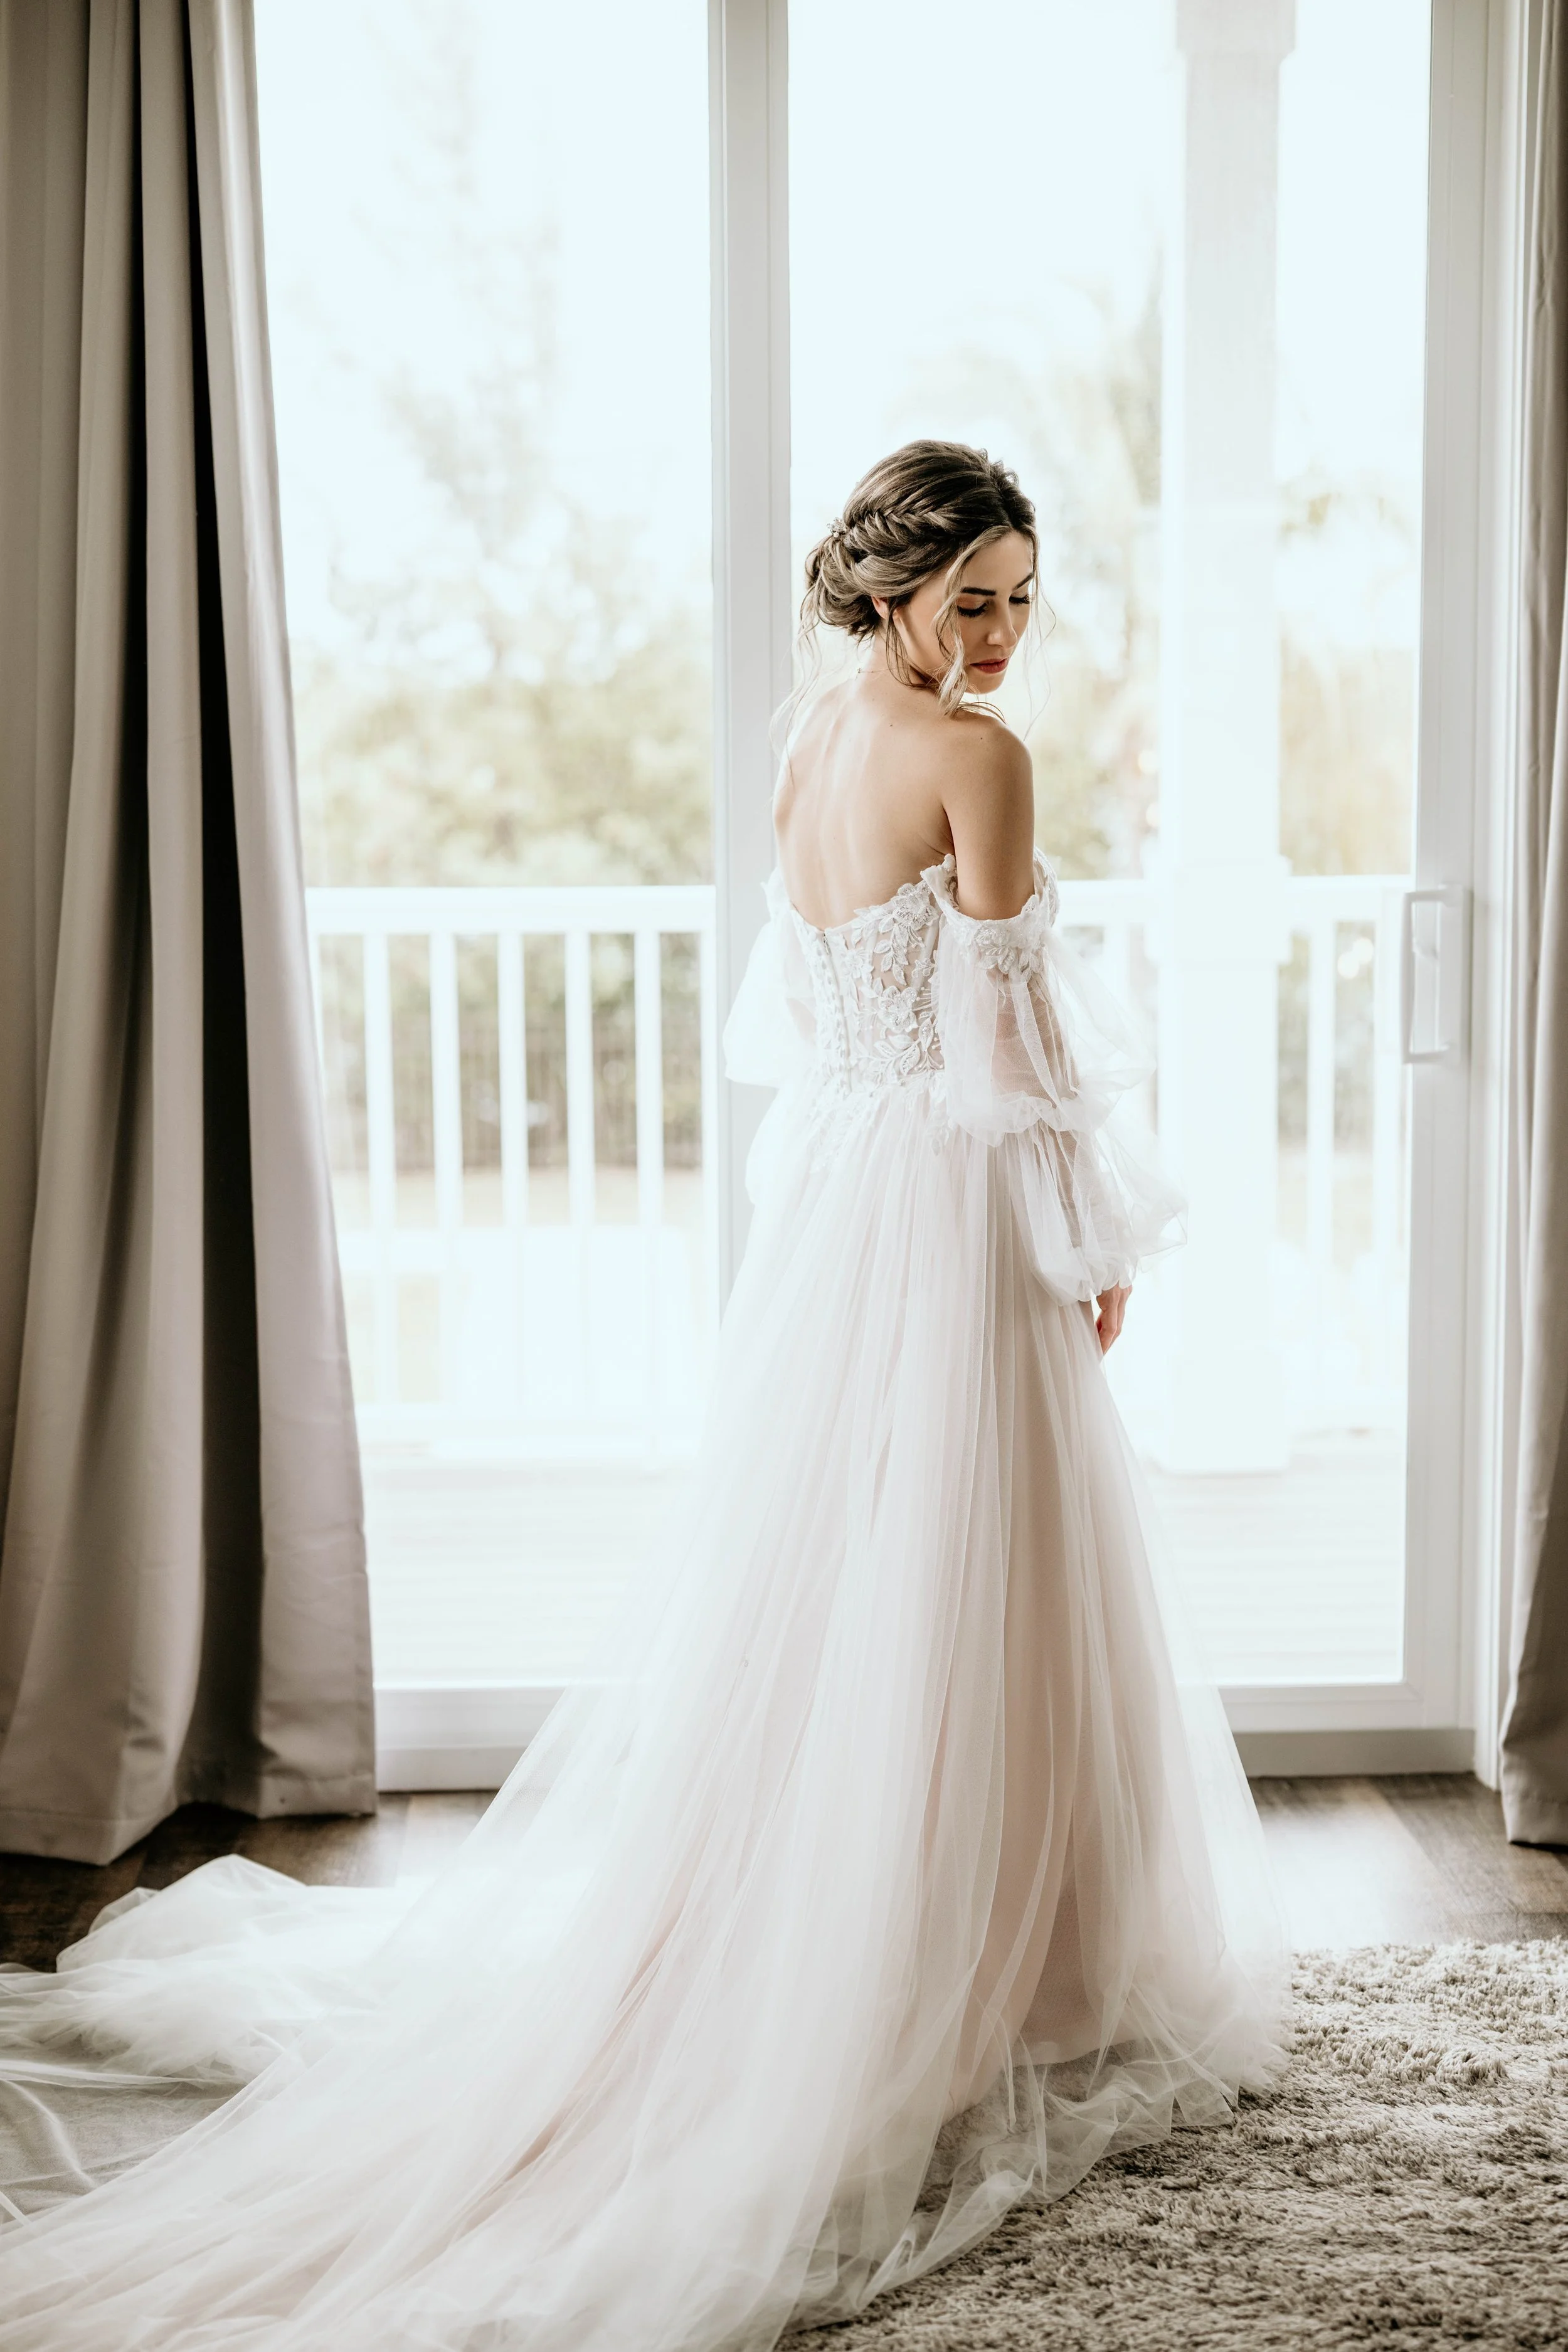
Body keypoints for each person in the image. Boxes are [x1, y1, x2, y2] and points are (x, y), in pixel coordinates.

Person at [0, 439, 1285, 2351]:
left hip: (848, 1201)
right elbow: (1012, 1042)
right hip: (938, 1199)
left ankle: (901, 1937)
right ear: (890, 585)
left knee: (851, 1592)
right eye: (973, 597)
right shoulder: (977, 762)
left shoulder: (812, 737)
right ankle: (991, 1966)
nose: (1003, 635)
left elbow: (820, 1008)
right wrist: (1088, 1239)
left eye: (1024, 597)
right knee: (968, 1577)